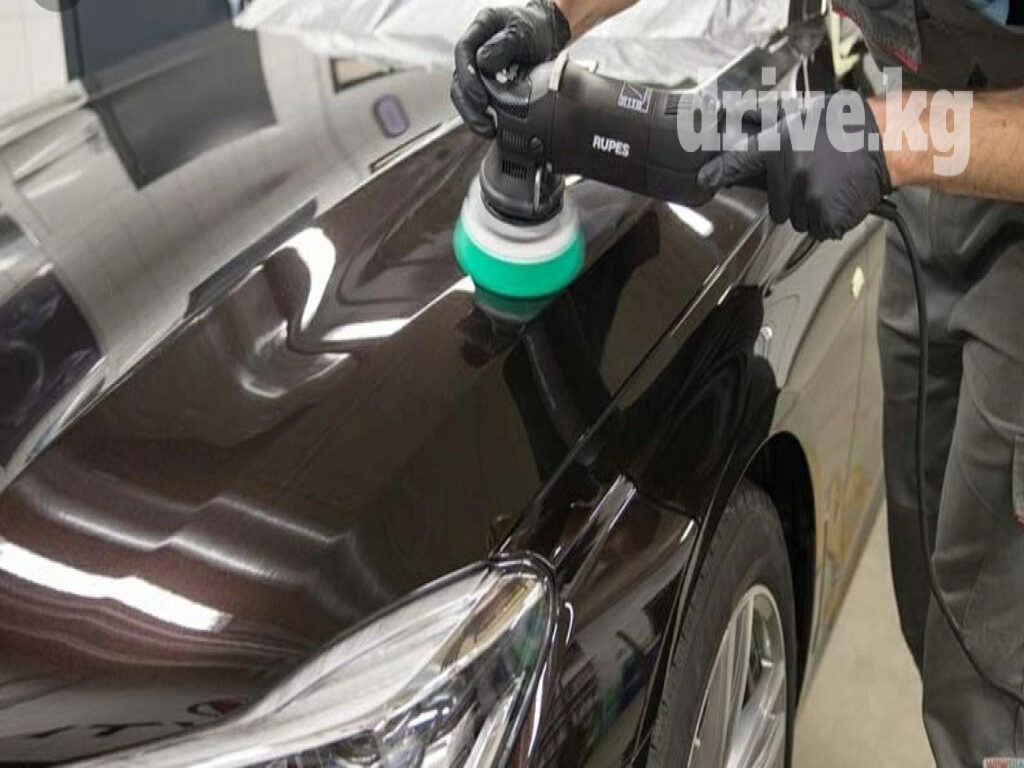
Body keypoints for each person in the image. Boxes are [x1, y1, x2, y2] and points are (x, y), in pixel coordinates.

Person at [451, 1, 1024, 765]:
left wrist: (896, 139)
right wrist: (555, 15)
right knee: (937, 607)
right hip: (937, 162)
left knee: (996, 673)